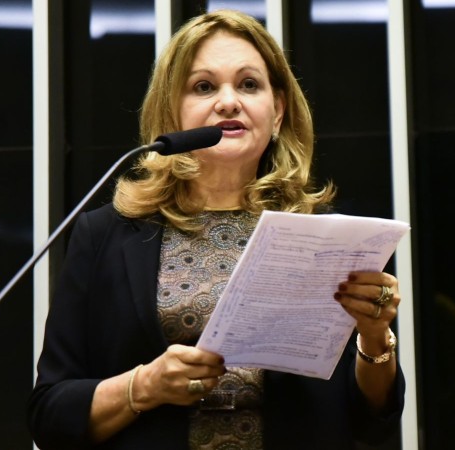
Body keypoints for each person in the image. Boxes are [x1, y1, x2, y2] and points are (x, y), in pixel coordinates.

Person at [27, 9, 405, 450]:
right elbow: (50, 415)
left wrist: (375, 336)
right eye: (204, 86)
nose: (229, 101)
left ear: (278, 112)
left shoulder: (331, 240)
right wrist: (143, 386)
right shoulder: (103, 236)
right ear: (173, 112)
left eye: (249, 84)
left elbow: (374, 420)